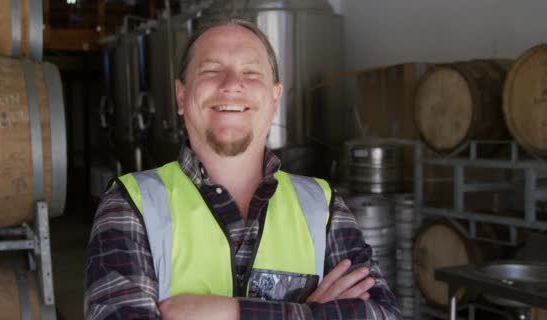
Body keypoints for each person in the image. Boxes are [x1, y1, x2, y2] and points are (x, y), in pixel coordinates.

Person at [85, 16, 401, 320]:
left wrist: (231, 313)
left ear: (275, 98)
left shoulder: (323, 205)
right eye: (211, 71)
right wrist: (310, 310)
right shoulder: (130, 204)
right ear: (181, 96)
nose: (232, 84)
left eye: (251, 73)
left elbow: (383, 314)